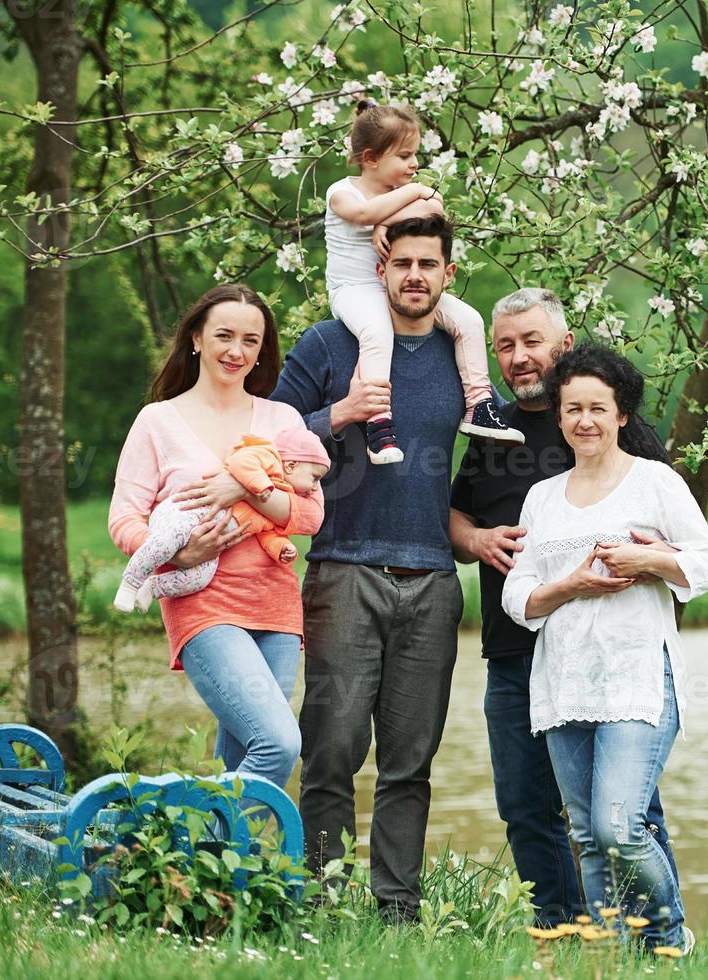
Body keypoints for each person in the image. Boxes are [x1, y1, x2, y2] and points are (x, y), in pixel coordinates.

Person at [449, 289, 682, 926]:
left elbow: (676, 534)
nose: (520, 357)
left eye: (532, 341)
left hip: (607, 656)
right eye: (506, 345)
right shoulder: (489, 427)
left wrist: (648, 559)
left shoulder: (607, 423)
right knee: (529, 809)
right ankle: (565, 937)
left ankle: (653, 941)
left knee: (626, 815)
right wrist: (472, 539)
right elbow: (458, 512)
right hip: (514, 654)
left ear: (566, 345)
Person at [273, 214, 468, 925]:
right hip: (340, 570)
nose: (415, 275)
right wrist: (343, 413)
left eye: (429, 264)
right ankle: (320, 906)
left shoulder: (459, 355)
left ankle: (396, 913)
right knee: (330, 750)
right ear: (380, 268)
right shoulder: (331, 343)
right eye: (402, 262)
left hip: (433, 579)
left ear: (449, 274)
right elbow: (265, 433)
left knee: (409, 762)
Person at [501, 343, 708, 953]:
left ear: (620, 413)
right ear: (559, 415)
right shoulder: (542, 498)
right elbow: (516, 598)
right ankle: (610, 957)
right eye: (572, 408)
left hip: (637, 678)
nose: (585, 421)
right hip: (563, 682)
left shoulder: (655, 482)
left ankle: (669, 933)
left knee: (619, 825)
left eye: (598, 408)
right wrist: (570, 584)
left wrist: (649, 559)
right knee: (585, 832)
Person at [108, 284, 325, 791]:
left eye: (251, 340)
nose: (237, 350)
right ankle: (200, 855)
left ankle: (211, 867)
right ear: (196, 340)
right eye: (224, 336)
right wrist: (179, 553)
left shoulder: (282, 420)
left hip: (275, 605)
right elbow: (124, 518)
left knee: (243, 756)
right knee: (279, 742)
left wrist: (244, 490)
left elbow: (310, 515)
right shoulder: (158, 421)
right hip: (202, 603)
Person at [326, 99, 519, 462]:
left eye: (415, 154)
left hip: (396, 287)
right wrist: (411, 197)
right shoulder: (343, 192)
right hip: (354, 290)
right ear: (371, 158)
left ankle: (479, 405)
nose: (414, 164)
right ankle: (378, 422)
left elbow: (437, 207)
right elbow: (363, 213)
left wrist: (388, 220)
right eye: (404, 156)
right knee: (377, 333)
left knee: (469, 320)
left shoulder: (392, 197)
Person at [113, 427, 330, 613]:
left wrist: (281, 548)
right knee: (165, 543)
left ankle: (153, 587)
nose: (315, 487)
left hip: (213, 540)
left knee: (199, 578)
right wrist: (257, 487)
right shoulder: (269, 458)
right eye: (315, 478)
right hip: (191, 512)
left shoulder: (281, 494)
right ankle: (131, 582)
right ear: (291, 465)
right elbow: (241, 461)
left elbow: (268, 533)